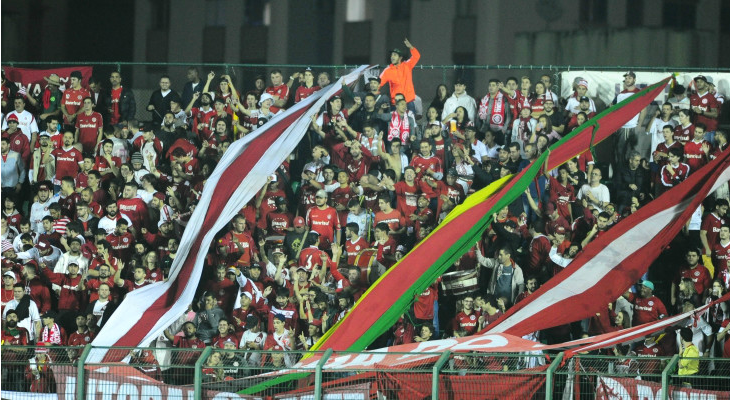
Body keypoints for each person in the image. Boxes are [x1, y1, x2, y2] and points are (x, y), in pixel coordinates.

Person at [379, 38, 420, 112]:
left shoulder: (407, 65)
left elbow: (416, 56)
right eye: (391, 55)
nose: (392, 57)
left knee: (410, 123)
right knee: (396, 123)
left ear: (400, 58)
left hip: (409, 102)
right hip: (396, 104)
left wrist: (411, 47)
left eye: (395, 55)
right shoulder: (387, 71)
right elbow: (378, 83)